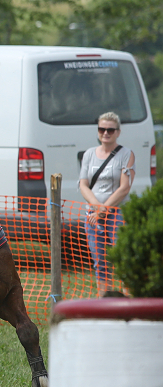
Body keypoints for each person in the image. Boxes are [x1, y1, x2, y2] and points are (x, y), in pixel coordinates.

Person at [78, 111, 135, 297]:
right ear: (98, 131)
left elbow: (124, 188)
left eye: (110, 130)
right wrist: (96, 208)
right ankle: (104, 300)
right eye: (102, 129)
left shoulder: (126, 154)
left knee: (122, 258)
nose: (106, 133)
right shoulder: (88, 154)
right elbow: (83, 184)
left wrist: (103, 211)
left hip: (117, 214)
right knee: (99, 261)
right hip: (93, 215)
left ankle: (128, 300)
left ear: (118, 132)